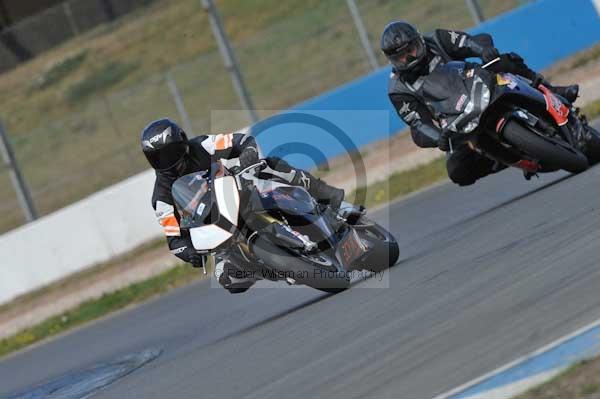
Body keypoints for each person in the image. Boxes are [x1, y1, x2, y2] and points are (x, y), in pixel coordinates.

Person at [141, 118, 344, 293]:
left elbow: (239, 140)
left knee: (270, 164)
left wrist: (247, 152)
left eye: (170, 152)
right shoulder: (161, 198)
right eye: (157, 157)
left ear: (182, 141)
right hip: (217, 230)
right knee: (226, 278)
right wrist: (188, 252)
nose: (166, 160)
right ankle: (275, 268)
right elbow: (174, 239)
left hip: (240, 193)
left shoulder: (203, 145)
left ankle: (323, 193)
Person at [382, 21, 595, 186]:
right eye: (400, 57)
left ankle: (550, 90)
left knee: (502, 61)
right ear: (392, 61)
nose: (409, 58)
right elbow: (418, 123)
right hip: (456, 120)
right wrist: (439, 138)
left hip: (478, 84)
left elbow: (467, 42)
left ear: (419, 40)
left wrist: (482, 50)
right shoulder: (398, 90)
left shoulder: (436, 39)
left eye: (411, 49)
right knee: (457, 170)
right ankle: (500, 159)